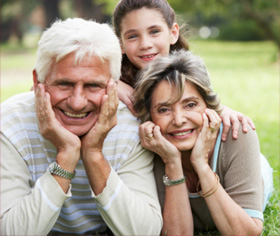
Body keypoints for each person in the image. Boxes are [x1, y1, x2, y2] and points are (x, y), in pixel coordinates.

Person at [0, 18, 162, 235]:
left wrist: (93, 154)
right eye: (64, 84)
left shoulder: (130, 127)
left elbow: (145, 231)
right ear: (38, 81)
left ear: (113, 87)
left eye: (92, 85)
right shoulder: (10, 122)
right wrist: (66, 155)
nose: (77, 102)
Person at [133, 50, 273, 235]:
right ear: (150, 116)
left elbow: (247, 232)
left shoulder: (237, 134)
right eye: (164, 109)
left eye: (190, 105)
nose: (178, 119)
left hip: (249, 166)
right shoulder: (150, 147)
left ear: (208, 105)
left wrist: (201, 164)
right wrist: (172, 162)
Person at [113, 0, 256, 142]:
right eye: (132, 36)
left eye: (154, 32)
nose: (145, 44)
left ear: (173, 33)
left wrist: (222, 110)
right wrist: (111, 82)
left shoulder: (188, 73)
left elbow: (200, 106)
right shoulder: (115, 81)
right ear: (120, 44)